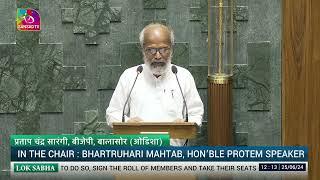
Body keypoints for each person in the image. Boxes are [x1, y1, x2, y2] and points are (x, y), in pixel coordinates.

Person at [106, 23, 204, 146]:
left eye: (163, 49)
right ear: (143, 49)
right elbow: (113, 112)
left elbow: (196, 113)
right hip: (138, 153)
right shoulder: (131, 76)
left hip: (174, 154)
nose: (158, 56)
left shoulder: (182, 76)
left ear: (171, 49)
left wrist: (185, 123)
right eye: (151, 50)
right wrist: (128, 122)